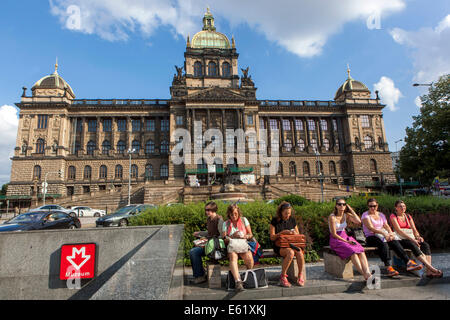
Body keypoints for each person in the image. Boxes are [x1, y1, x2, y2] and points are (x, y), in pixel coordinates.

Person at [362, 198, 423, 277]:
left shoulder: (381, 214)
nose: (373, 208)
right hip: (371, 236)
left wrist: (390, 233)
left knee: (394, 241)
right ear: (368, 206)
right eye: (371, 206)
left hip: (383, 234)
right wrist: (384, 233)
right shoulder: (365, 215)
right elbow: (371, 228)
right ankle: (389, 267)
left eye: (374, 206)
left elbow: (386, 226)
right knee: (384, 244)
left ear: (377, 205)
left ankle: (408, 262)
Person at [390, 200, 443, 278]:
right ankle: (431, 268)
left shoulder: (408, 216)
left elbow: (414, 229)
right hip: (400, 239)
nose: (402, 208)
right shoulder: (393, 216)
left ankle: (428, 272)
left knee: (425, 245)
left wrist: (418, 237)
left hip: (411, 238)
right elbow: (399, 231)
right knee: (412, 244)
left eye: (404, 206)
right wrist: (413, 240)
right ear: (396, 208)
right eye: (400, 206)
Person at [328, 199, 371, 280]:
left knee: (361, 251)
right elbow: (334, 234)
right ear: (336, 205)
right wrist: (347, 241)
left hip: (345, 236)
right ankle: (364, 274)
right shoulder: (332, 217)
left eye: (344, 204)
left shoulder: (346, 215)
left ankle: (367, 272)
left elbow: (358, 221)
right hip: (336, 239)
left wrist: (351, 210)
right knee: (353, 252)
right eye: (339, 204)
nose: (342, 206)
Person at [269, 202, 306, 287]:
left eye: (289, 213)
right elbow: (272, 237)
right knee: (290, 253)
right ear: (281, 212)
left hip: (292, 244)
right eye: (285, 213)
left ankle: (300, 275)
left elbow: (298, 234)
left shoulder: (292, 220)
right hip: (280, 245)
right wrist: (281, 233)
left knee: (299, 252)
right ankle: (283, 276)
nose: (287, 215)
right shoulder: (275, 221)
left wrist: (293, 233)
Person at [189, 201, 224, 284]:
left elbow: (222, 236)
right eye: (206, 210)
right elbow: (209, 233)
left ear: (214, 210)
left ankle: (200, 276)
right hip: (209, 244)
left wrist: (208, 240)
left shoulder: (219, 220)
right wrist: (199, 233)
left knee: (194, 252)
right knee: (194, 250)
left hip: (216, 247)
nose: (206, 212)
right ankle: (201, 274)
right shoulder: (209, 219)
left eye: (208, 210)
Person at [222, 204, 254, 292]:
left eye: (235, 214)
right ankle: (238, 282)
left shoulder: (244, 220)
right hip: (232, 245)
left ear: (238, 213)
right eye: (232, 214)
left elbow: (250, 234)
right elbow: (224, 239)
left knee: (249, 258)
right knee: (233, 257)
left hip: (242, 244)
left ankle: (248, 275)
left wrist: (245, 236)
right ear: (229, 214)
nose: (234, 216)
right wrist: (232, 235)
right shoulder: (226, 223)